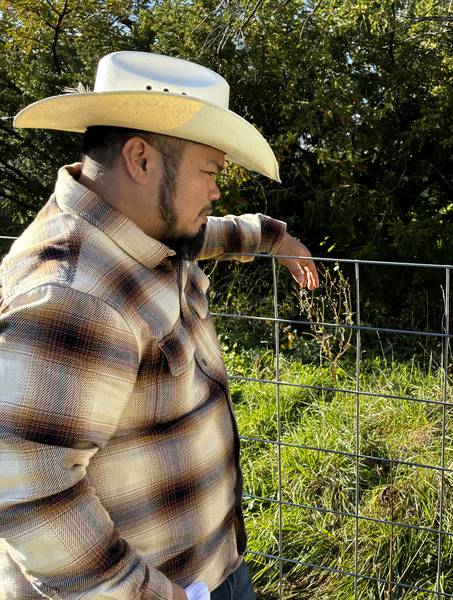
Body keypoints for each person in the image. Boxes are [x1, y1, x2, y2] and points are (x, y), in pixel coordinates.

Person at [0, 51, 318, 599]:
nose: (217, 191)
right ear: (141, 159)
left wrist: (272, 236)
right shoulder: (73, 296)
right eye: (210, 172)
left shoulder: (147, 232)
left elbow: (205, 233)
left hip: (212, 564)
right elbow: (29, 497)